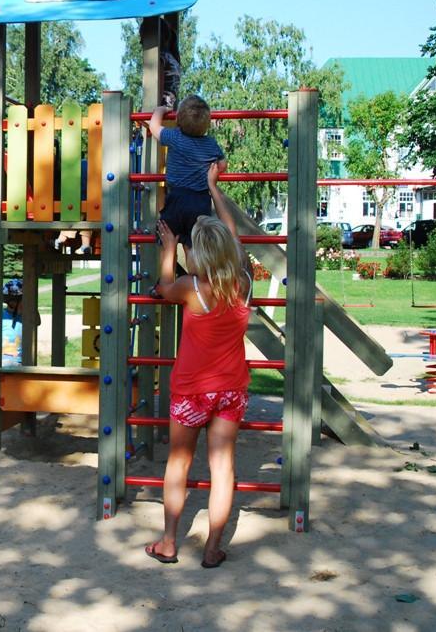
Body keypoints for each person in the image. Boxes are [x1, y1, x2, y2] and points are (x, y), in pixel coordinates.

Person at [145, 162, 252, 569]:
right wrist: (215, 191)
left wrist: (169, 250)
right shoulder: (241, 281)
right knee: (223, 468)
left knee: (179, 463)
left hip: (191, 389)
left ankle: (170, 542)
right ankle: (212, 549)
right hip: (230, 390)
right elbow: (234, 238)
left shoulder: (192, 288)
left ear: (198, 253)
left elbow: (163, 287)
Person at [147, 94, 228, 254]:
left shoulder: (175, 137)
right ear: (206, 125)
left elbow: (153, 127)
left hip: (176, 199)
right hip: (200, 201)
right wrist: (214, 168)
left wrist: (161, 110)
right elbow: (223, 164)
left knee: (167, 243)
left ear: (178, 119)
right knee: (193, 245)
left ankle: (167, 275)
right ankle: (195, 277)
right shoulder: (210, 143)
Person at [0, 278, 24, 367]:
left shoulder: (26, 316)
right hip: (3, 360)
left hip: (19, 361)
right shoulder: (1, 315)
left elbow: (37, 322)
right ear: (13, 302)